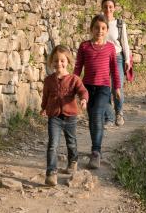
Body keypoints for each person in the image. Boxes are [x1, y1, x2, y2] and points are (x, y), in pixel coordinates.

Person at [74, 14, 121, 169]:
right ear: (91, 29)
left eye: (103, 28)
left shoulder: (110, 48)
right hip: (87, 88)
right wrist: (74, 85)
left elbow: (114, 70)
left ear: (107, 30)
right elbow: (78, 67)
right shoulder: (84, 46)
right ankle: (95, 148)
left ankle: (96, 152)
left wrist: (117, 87)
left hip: (103, 88)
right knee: (92, 119)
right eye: (96, 28)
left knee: (97, 115)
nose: (99, 31)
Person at [40, 45, 89, 186]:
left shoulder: (74, 79)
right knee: (52, 145)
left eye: (62, 60)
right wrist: (44, 108)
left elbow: (82, 91)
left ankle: (73, 161)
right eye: (55, 61)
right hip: (54, 117)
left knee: (71, 142)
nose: (59, 64)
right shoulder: (49, 80)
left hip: (70, 117)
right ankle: (51, 173)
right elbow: (46, 96)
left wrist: (84, 100)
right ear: (51, 62)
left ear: (68, 61)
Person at [101, 0, 131, 127]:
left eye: (110, 7)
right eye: (105, 7)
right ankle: (109, 117)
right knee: (105, 88)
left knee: (117, 87)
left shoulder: (119, 24)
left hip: (117, 57)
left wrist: (127, 59)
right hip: (102, 58)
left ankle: (119, 113)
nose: (108, 9)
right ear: (102, 8)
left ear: (114, 8)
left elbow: (124, 42)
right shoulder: (99, 23)